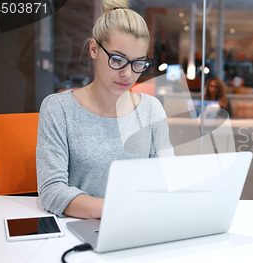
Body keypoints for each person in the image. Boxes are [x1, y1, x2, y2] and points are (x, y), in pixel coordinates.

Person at [36, 0, 174, 219]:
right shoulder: (58, 109)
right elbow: (52, 191)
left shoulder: (151, 109)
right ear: (93, 49)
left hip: (137, 224)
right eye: (118, 60)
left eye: (138, 63)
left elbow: (167, 179)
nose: (128, 74)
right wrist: (115, 209)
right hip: (77, 229)